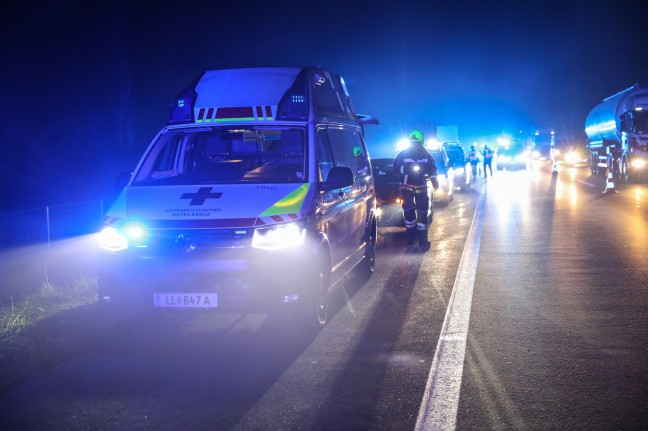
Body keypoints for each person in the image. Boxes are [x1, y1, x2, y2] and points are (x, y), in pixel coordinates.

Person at [393, 129, 439, 251]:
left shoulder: (426, 156)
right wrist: (403, 174)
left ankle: (423, 242)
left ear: (421, 142)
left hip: (421, 188)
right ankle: (410, 240)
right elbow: (395, 168)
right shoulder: (402, 155)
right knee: (409, 214)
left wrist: (434, 181)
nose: (415, 145)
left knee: (422, 214)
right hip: (407, 187)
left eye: (417, 143)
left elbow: (432, 171)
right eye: (413, 142)